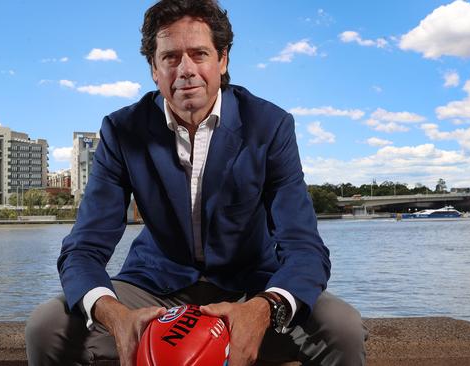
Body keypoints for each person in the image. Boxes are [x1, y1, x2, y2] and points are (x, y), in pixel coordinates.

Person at [26, 0, 367, 365]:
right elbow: (83, 249)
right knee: (48, 326)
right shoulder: (122, 131)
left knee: (341, 327)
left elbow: (304, 248)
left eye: (199, 54)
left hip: (251, 287)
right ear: (154, 70)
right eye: (171, 57)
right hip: (154, 289)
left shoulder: (269, 126)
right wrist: (114, 314)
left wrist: (266, 308)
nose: (186, 70)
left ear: (222, 61)